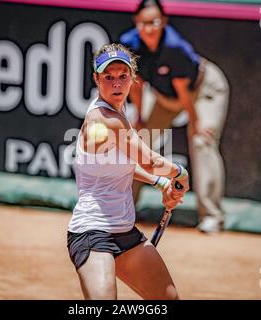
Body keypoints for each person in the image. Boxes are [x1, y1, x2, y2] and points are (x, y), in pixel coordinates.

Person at [67, 43, 189, 300]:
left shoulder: (120, 113)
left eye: (123, 76)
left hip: (125, 234)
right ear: (96, 79)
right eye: (108, 77)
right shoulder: (104, 119)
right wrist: (179, 173)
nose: (116, 83)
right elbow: (148, 161)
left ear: (133, 78)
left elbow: (125, 165)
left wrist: (159, 183)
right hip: (92, 233)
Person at [120, 0, 230, 233]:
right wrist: (140, 116)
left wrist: (196, 123)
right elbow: (136, 85)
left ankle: (212, 216)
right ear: (136, 23)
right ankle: (124, 207)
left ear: (164, 23)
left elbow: (184, 91)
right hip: (165, 97)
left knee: (202, 141)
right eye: (143, 23)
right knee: (141, 140)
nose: (148, 28)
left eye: (154, 22)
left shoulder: (174, 47)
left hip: (202, 91)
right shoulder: (130, 45)